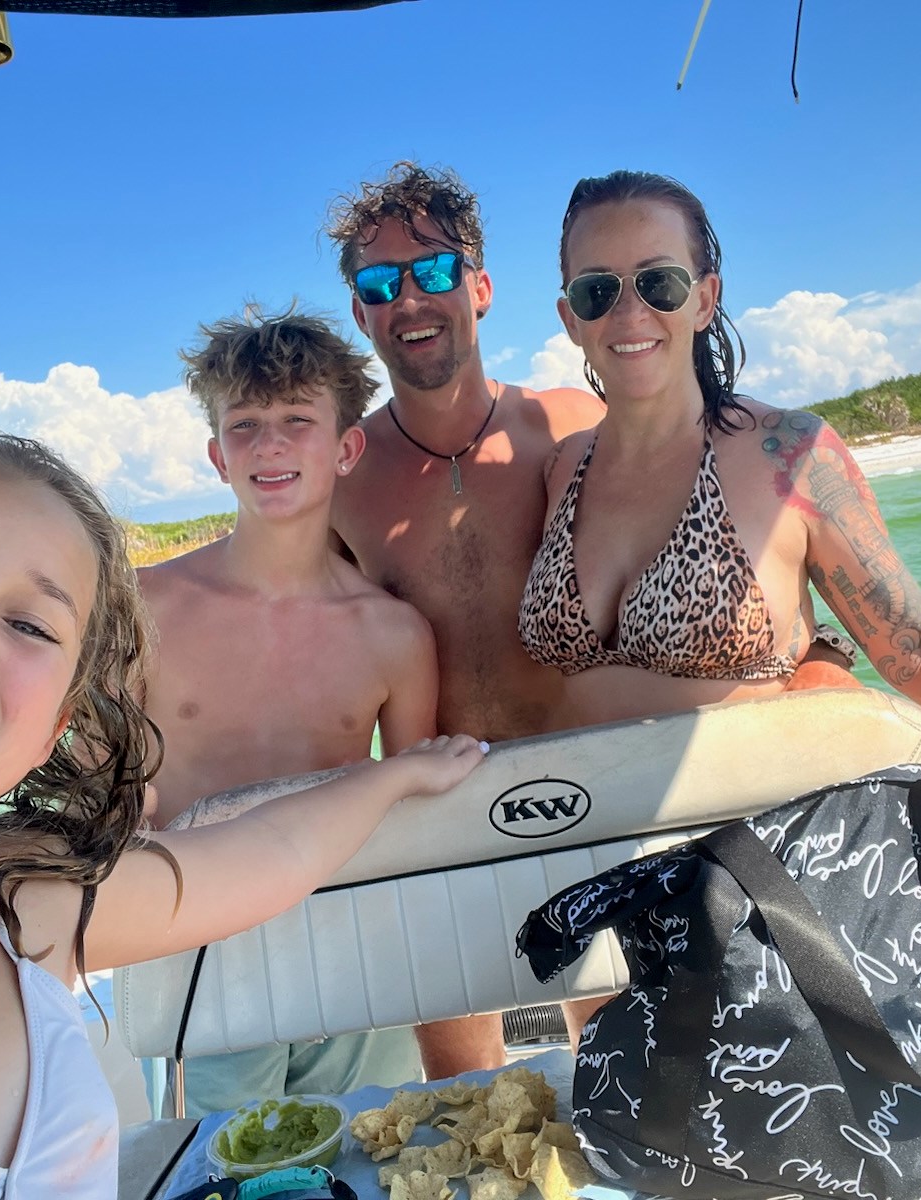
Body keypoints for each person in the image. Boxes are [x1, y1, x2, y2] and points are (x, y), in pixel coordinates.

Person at [0, 423, 485, 1196]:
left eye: (28, 625)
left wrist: (393, 778)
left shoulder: (14, 902)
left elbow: (264, 854)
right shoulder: (28, 907)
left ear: (56, 724)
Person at [517, 168, 921, 756]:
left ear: (703, 300)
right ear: (570, 320)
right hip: (581, 825)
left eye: (658, 282)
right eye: (598, 290)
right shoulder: (561, 468)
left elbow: (918, 653)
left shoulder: (792, 453)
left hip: (741, 826)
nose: (629, 311)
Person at [325, 163, 606, 1076]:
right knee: (461, 1090)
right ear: (361, 315)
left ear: (480, 286)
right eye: (379, 284)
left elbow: (699, 538)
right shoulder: (342, 479)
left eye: (435, 270)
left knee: (617, 1054)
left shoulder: (572, 424)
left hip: (594, 787)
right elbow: (297, 645)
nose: (410, 296)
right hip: (437, 807)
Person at [139, 310, 440, 1113]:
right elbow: (105, 785)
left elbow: (414, 819)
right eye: (246, 425)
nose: (270, 445)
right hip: (195, 945)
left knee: (372, 1152)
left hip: (352, 943)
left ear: (346, 447)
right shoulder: (147, 608)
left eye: (297, 421)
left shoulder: (394, 634)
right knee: (217, 1165)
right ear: (217, 455)